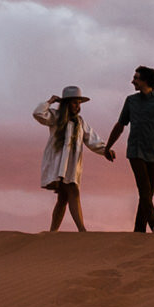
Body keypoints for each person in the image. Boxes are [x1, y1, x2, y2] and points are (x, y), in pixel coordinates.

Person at [104, 66, 154, 232]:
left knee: (147, 195)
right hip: (136, 151)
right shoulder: (131, 101)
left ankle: (139, 232)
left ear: (146, 81)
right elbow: (120, 125)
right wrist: (108, 147)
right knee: (144, 190)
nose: (132, 81)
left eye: (136, 78)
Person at [32, 85, 108, 230]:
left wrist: (105, 151)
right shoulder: (55, 117)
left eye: (79, 103)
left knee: (63, 198)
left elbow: (92, 139)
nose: (77, 106)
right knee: (73, 191)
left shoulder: (80, 122)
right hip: (58, 164)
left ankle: (53, 231)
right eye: (74, 102)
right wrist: (49, 101)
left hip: (72, 166)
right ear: (66, 103)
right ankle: (82, 230)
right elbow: (38, 114)